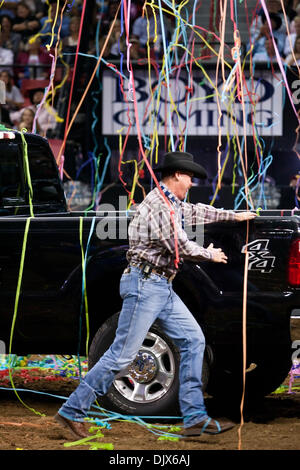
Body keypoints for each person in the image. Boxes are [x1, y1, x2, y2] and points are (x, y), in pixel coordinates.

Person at [54, 151, 256, 439]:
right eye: (188, 177)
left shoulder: (170, 203)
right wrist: (209, 254)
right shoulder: (158, 206)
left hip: (159, 285)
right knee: (122, 354)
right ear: (176, 175)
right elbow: (180, 247)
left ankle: (194, 417)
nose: (190, 182)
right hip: (145, 285)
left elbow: (196, 211)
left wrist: (232, 215)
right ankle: (72, 410)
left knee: (193, 339)